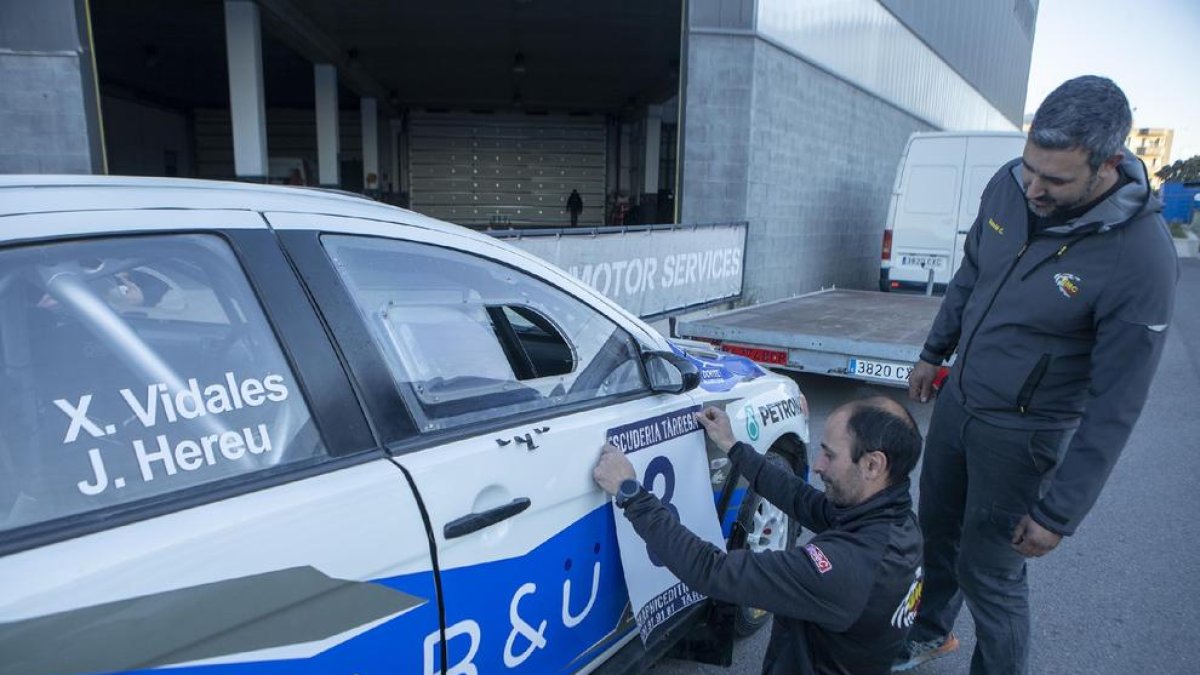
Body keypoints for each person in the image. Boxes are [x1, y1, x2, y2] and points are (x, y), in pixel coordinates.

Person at [895, 76, 1178, 674]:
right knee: (936, 536)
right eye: (1029, 167)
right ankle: (931, 632)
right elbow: (971, 273)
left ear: (1108, 164)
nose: (1033, 188)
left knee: (991, 573)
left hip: (1026, 436)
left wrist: (1059, 514)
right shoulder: (1008, 186)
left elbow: (1117, 403)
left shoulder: (1141, 255)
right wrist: (933, 351)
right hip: (960, 403)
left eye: (1055, 180)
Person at [593, 398, 924, 675]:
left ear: (872, 465)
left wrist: (631, 494)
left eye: (830, 454)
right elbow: (803, 500)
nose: (818, 464)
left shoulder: (847, 570)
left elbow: (713, 571)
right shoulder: (895, 520)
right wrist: (734, 447)